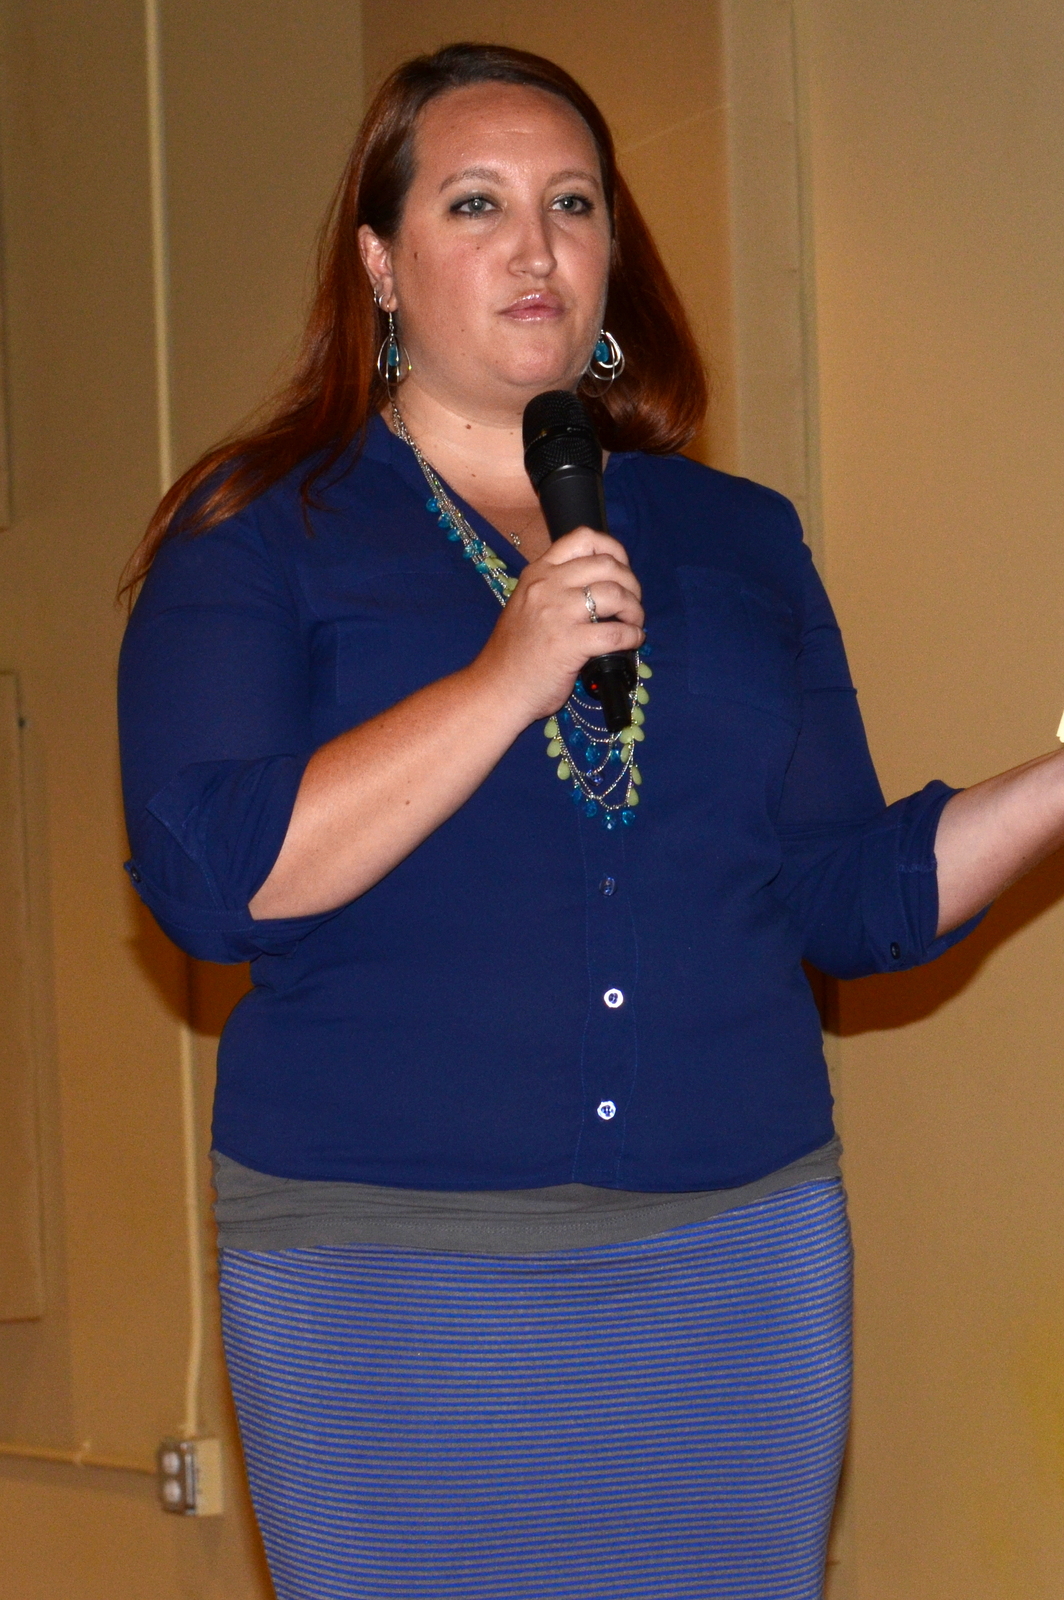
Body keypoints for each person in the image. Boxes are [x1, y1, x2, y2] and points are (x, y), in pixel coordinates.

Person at [117, 41, 1064, 1600]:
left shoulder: (737, 537)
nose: (536, 246)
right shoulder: (262, 529)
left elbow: (845, 898)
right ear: (380, 263)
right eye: (475, 204)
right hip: (384, 1273)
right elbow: (214, 879)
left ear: (614, 252)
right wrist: (505, 679)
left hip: (734, 1261)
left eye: (573, 203)